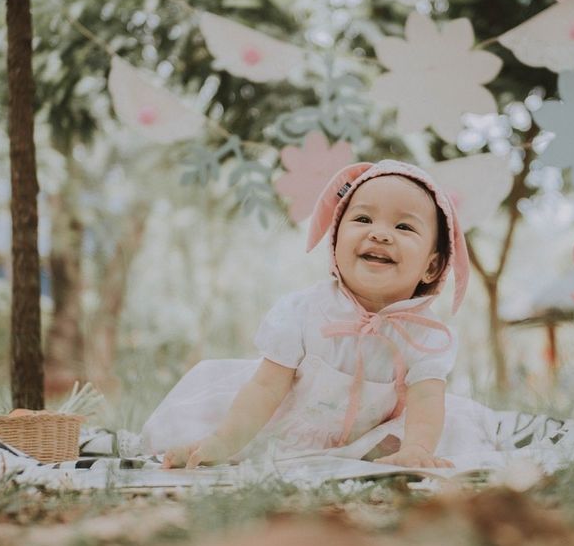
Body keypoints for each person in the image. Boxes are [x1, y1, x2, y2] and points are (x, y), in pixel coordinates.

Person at [142, 159, 494, 470]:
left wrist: (416, 449)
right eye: (363, 218)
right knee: (210, 432)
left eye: (404, 227)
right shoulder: (304, 312)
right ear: (335, 241)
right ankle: (214, 443)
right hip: (276, 421)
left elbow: (426, 400)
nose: (380, 233)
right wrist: (225, 442)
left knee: (454, 431)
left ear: (432, 267)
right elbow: (265, 388)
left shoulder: (427, 336)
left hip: (365, 434)